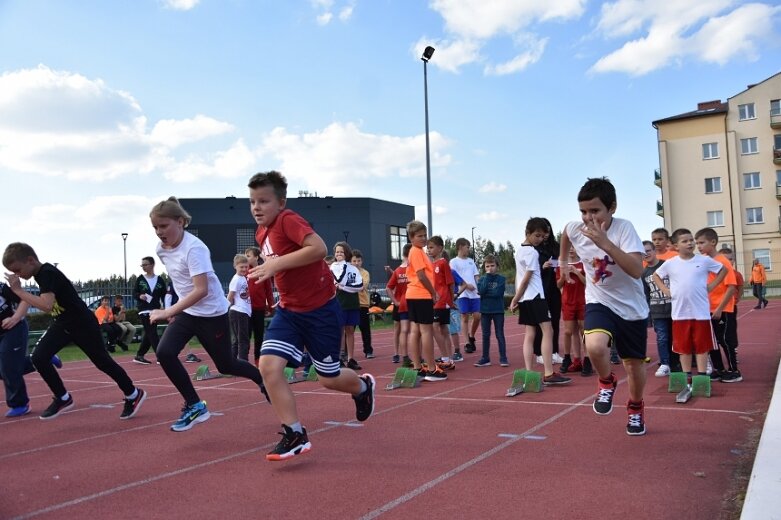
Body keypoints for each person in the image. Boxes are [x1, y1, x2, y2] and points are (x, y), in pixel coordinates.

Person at [247, 171, 375, 461]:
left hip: (320, 312)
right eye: (252, 201)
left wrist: (275, 265)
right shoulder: (261, 233)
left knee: (328, 379)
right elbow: (277, 265)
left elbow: (318, 249)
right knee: (268, 366)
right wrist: (270, 271)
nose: (256, 207)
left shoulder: (287, 219)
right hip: (289, 311)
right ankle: (294, 433)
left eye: (264, 201)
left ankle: (363, 387)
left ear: (281, 202)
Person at [148, 197, 269, 432]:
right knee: (165, 351)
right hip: (188, 312)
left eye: (164, 226)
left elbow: (201, 290)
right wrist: (177, 310)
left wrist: (169, 310)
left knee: (226, 365)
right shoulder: (161, 249)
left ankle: (261, 379)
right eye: (155, 227)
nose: (159, 232)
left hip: (212, 313)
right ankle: (195, 405)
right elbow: (179, 278)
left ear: (181, 222)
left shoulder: (195, 248)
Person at [3, 243, 146, 420]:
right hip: (63, 323)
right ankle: (63, 397)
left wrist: (17, 290)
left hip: (82, 324)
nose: (17, 275)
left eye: (18, 270)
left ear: (30, 260)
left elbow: (46, 305)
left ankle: (133, 393)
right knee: (38, 357)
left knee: (103, 362)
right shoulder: (40, 275)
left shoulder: (47, 273)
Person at [559, 177, 649, 436]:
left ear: (612, 208)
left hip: (632, 308)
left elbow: (635, 271)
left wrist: (605, 244)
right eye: (583, 212)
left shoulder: (624, 229)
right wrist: (564, 263)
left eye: (595, 211)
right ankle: (607, 382)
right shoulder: (577, 228)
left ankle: (635, 408)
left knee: (633, 366)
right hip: (600, 300)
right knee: (595, 345)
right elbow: (565, 233)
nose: (588, 218)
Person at [653, 228, 726, 386]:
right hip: (680, 314)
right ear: (675, 246)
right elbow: (656, 275)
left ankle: (700, 377)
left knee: (701, 347)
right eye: (685, 241)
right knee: (683, 347)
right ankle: (685, 377)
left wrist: (711, 286)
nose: (690, 243)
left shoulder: (704, 260)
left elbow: (723, 270)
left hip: (700, 313)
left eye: (691, 240)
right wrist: (665, 290)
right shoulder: (671, 263)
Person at [510, 218, 571, 386]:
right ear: (527, 233)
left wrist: (518, 297)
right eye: (537, 235)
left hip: (526, 298)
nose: (539, 239)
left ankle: (530, 372)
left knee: (530, 334)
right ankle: (549, 373)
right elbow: (526, 279)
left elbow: (519, 277)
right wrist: (515, 298)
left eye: (543, 236)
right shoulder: (532, 252)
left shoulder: (519, 250)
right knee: (548, 330)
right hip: (536, 296)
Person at [696, 228, 741, 383]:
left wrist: (720, 308)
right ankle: (719, 370)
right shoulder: (703, 260)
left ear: (713, 242)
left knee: (724, 340)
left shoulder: (723, 262)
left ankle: (734, 370)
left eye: (702, 243)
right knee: (711, 341)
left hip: (722, 309)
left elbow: (731, 287)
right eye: (697, 243)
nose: (698, 246)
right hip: (707, 308)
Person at [405, 220, 446, 381]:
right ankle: (431, 368)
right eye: (419, 236)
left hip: (413, 295)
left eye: (424, 235)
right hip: (421, 295)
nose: (423, 238)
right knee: (426, 331)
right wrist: (433, 292)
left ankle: (417, 366)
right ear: (411, 237)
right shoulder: (416, 252)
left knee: (415, 331)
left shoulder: (417, 251)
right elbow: (421, 275)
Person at [641, 241, 677, 377]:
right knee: (662, 337)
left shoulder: (666, 266)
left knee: (675, 337)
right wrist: (648, 314)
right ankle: (665, 363)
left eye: (648, 250)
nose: (646, 254)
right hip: (657, 310)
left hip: (673, 308)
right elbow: (646, 295)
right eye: (643, 252)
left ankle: (676, 361)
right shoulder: (644, 273)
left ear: (655, 251)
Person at [532, 219, 563, 364]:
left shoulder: (556, 247)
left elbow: (563, 261)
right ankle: (539, 352)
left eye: (548, 231)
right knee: (541, 322)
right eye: (542, 232)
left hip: (555, 288)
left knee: (555, 320)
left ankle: (554, 351)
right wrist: (542, 266)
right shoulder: (533, 249)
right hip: (540, 289)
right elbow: (528, 269)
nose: (545, 235)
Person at [330, 241, 364, 370]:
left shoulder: (353, 268)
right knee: (340, 330)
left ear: (346, 253)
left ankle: (351, 358)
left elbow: (359, 286)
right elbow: (338, 280)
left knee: (350, 331)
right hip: (339, 303)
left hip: (352, 303)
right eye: (337, 252)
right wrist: (344, 286)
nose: (338, 254)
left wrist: (344, 287)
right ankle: (338, 357)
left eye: (341, 252)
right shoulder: (333, 267)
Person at [556, 246, 588, 375]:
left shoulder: (583, 263)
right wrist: (564, 276)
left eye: (574, 247)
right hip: (568, 302)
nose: (571, 249)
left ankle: (587, 360)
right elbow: (558, 285)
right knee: (569, 331)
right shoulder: (561, 265)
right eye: (568, 247)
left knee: (583, 331)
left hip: (582, 301)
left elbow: (588, 282)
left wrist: (576, 272)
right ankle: (570, 359)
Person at [427, 236, 455, 370]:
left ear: (440, 248)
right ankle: (449, 358)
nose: (429, 250)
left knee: (435, 327)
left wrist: (451, 300)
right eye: (428, 247)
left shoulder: (443, 263)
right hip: (433, 301)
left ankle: (445, 357)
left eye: (431, 247)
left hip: (442, 301)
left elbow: (450, 283)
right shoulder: (431, 265)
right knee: (443, 329)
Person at [133, 256, 167, 364]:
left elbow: (164, 295)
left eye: (145, 264)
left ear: (152, 265)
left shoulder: (160, 280)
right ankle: (161, 355)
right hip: (144, 310)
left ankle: (139, 355)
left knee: (149, 333)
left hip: (155, 310)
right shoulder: (140, 279)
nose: (143, 267)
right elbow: (134, 293)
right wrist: (140, 296)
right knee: (152, 332)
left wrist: (164, 306)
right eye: (142, 265)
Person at [475, 255, 508, 367]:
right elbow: (482, 291)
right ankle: (485, 358)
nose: (490, 268)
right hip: (485, 311)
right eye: (487, 266)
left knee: (499, 334)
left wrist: (487, 293)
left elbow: (498, 293)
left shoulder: (501, 279)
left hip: (498, 310)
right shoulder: (482, 279)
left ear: (497, 266)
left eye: (492, 265)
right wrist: (488, 278)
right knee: (485, 335)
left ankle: (503, 358)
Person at [244, 246, 275, 366]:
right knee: (246, 335)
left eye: (248, 256)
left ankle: (258, 359)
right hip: (246, 309)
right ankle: (243, 360)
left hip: (259, 308)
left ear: (256, 257)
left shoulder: (263, 271)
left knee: (258, 335)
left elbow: (268, 291)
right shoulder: (244, 271)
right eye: (245, 255)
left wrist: (271, 307)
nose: (246, 258)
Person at [449, 238, 480, 354]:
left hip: (475, 293)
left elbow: (476, 276)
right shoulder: (453, 262)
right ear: (461, 247)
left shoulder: (471, 261)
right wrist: (466, 286)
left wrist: (479, 285)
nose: (469, 249)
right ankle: (467, 343)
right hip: (462, 293)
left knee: (477, 316)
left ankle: (471, 335)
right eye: (467, 247)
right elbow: (455, 277)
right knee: (464, 317)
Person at [164, 281, 201, 364]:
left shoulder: (191, 281)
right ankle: (188, 354)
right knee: (182, 333)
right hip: (177, 310)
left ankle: (169, 353)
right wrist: (168, 312)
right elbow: (168, 297)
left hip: (187, 310)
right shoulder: (173, 283)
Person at [386, 244, 411, 365]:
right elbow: (389, 287)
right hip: (407, 303)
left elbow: (389, 287)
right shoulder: (410, 269)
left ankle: (405, 355)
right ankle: (400, 354)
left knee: (404, 330)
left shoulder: (398, 270)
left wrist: (396, 302)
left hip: (402, 303)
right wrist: (395, 302)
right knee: (412, 330)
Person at [227, 254, 252, 361]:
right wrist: (224, 309)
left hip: (243, 312)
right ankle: (243, 362)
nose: (244, 269)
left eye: (246, 267)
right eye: (241, 267)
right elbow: (230, 295)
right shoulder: (236, 279)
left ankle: (232, 362)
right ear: (235, 266)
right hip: (238, 312)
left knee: (238, 340)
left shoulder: (243, 278)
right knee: (243, 340)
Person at [351, 249, 374, 359]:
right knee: (349, 330)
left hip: (363, 305)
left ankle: (368, 350)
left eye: (358, 261)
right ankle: (346, 352)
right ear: (351, 261)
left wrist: (350, 286)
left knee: (365, 329)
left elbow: (362, 286)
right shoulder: (348, 272)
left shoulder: (365, 273)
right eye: (354, 261)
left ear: (362, 261)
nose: (356, 263)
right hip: (351, 305)